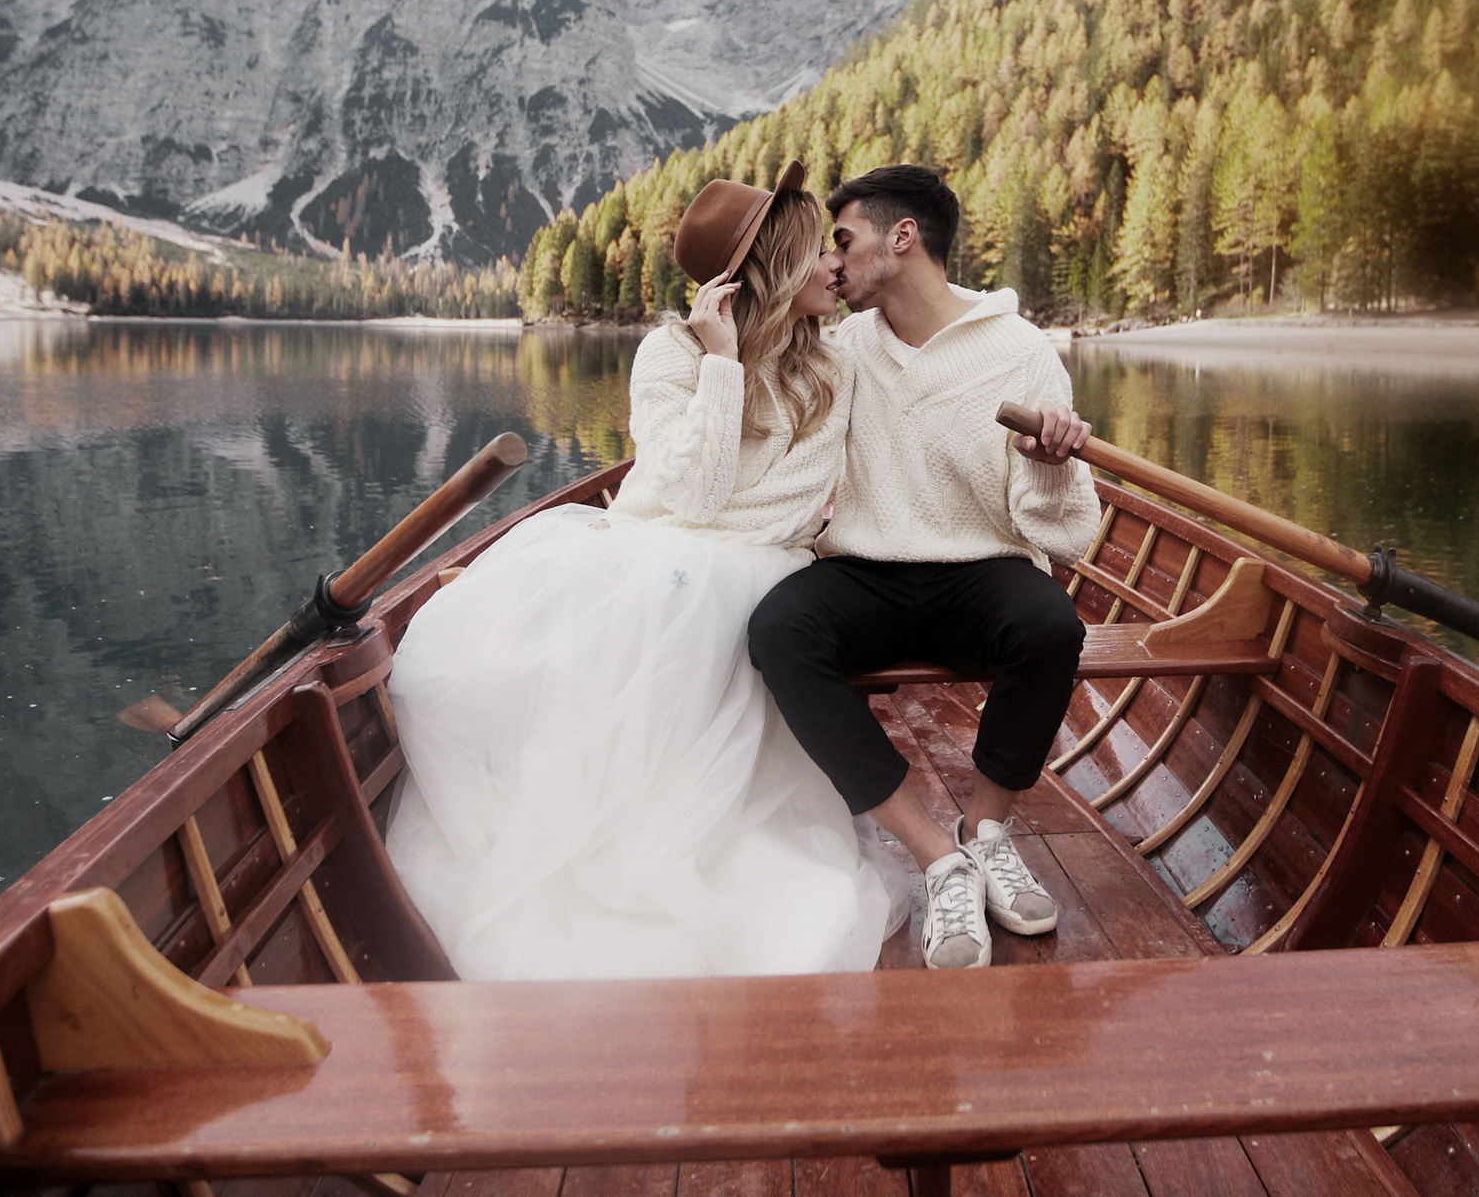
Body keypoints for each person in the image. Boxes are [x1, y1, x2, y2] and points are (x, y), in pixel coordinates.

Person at [381, 163, 893, 980]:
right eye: (817, 250)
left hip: (748, 563)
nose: (837, 263)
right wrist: (722, 363)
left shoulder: (830, 368)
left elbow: (784, 510)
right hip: (657, 546)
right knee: (632, 599)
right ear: (776, 266)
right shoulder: (671, 352)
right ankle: (583, 823)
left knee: (686, 593)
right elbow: (694, 489)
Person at [748, 164, 1099, 969]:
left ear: (901, 238)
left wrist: (1045, 462)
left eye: (842, 239)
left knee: (1051, 623)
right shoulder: (839, 348)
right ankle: (939, 855)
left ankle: (986, 829)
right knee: (778, 628)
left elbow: (1069, 530)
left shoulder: (1020, 351)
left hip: (981, 565)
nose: (830, 262)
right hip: (867, 567)